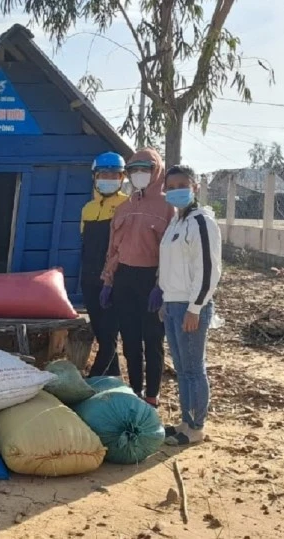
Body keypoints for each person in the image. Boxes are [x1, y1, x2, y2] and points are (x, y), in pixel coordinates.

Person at [99, 148, 175, 406]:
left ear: (157, 171)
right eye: (134, 170)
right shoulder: (124, 207)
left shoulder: (168, 207)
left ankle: (152, 396)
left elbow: (171, 251)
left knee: (153, 339)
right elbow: (113, 249)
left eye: (145, 169)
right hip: (124, 279)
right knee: (130, 338)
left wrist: (160, 285)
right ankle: (135, 392)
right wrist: (108, 281)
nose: (139, 175)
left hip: (152, 280)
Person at [158, 165, 222, 445]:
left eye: (182, 185)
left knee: (195, 368)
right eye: (170, 187)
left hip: (190, 306)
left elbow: (208, 270)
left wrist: (195, 307)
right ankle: (186, 421)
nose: (176, 191)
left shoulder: (201, 222)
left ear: (195, 187)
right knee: (182, 368)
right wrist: (164, 299)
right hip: (172, 304)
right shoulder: (176, 222)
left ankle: (196, 427)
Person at [81, 151, 128, 377]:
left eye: (114, 174)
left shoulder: (127, 206)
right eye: (103, 174)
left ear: (122, 178)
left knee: (109, 340)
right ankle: (113, 380)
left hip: (113, 281)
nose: (108, 178)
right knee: (101, 334)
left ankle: (92, 382)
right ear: (95, 176)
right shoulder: (88, 208)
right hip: (89, 280)